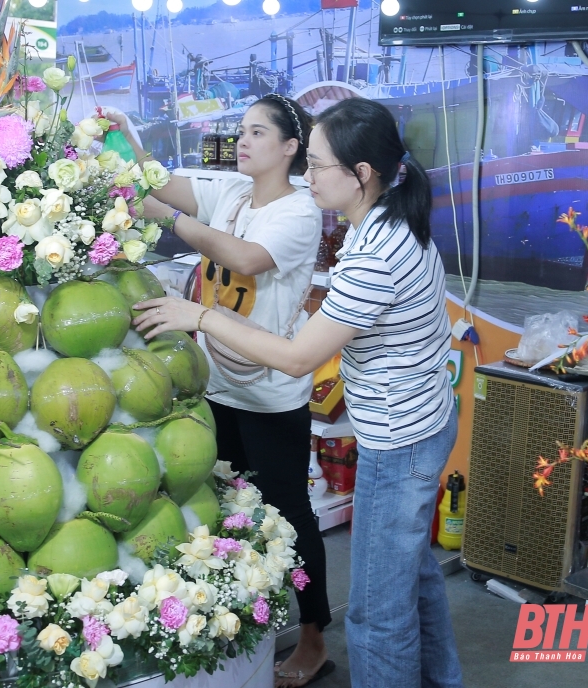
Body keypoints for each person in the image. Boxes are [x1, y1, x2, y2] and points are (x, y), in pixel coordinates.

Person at [134, 97, 462, 688]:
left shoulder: (374, 253)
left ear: (361, 174)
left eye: (316, 164)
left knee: (376, 613)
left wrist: (200, 317)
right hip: (416, 422)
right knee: (412, 577)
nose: (308, 176)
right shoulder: (384, 224)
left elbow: (297, 357)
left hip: (399, 440)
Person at [105, 95, 334, 688]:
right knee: (218, 504)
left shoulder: (299, 211)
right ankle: (237, 615)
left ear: (290, 147)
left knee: (289, 515)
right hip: (214, 384)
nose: (243, 141)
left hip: (268, 395)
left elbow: (243, 258)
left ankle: (313, 637)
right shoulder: (230, 192)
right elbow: (158, 183)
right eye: (241, 131)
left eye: (258, 133)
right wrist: (123, 136)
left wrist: (166, 218)